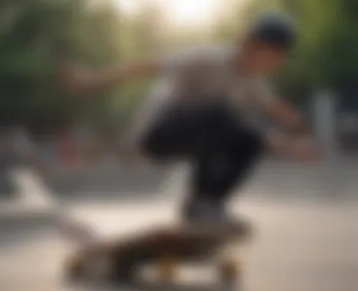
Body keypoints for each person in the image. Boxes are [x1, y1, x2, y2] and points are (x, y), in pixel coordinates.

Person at [63, 12, 320, 229]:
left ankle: (206, 204)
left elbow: (276, 110)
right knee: (223, 114)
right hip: (157, 132)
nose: (274, 64)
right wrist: (93, 79)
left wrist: (297, 139)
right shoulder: (209, 57)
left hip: (195, 135)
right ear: (250, 44)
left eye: (279, 60)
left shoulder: (253, 83)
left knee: (249, 140)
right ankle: (200, 204)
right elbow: (146, 66)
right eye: (272, 56)